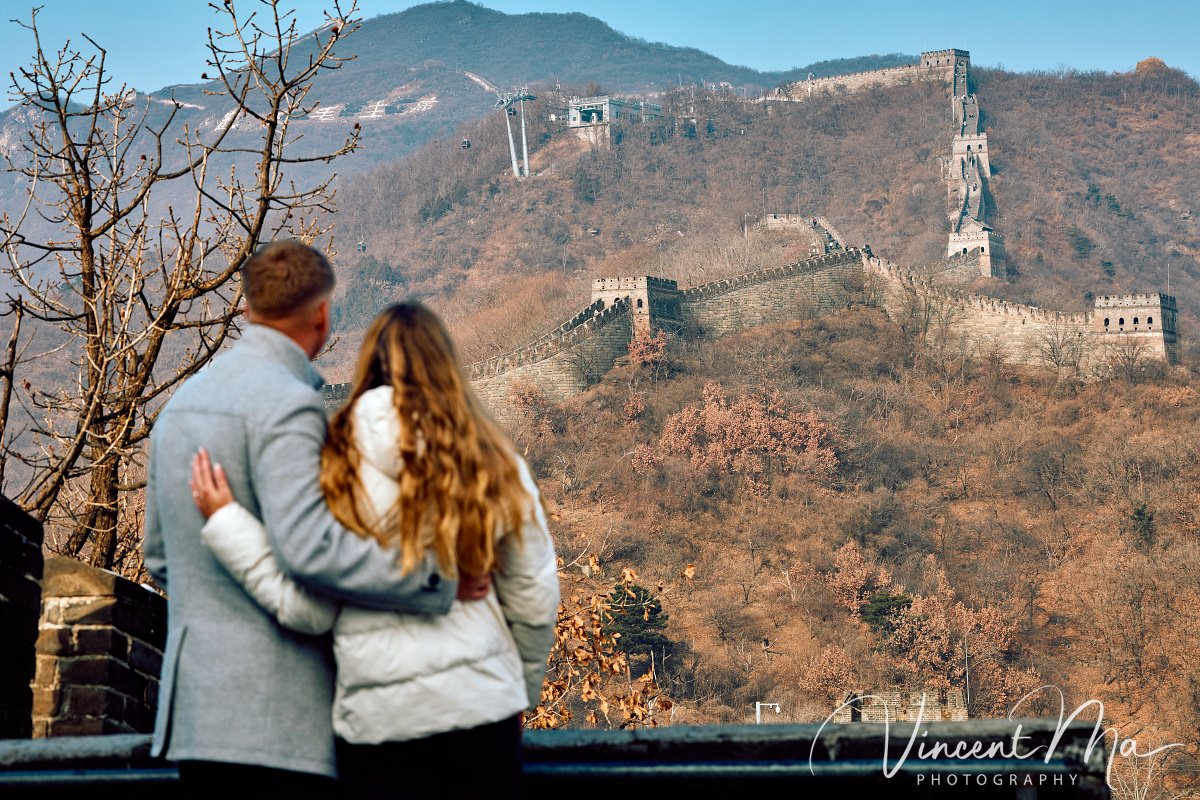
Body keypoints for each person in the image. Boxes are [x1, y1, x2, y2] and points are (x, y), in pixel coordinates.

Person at [142, 242, 485, 789]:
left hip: (194, 715)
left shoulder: (178, 407)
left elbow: (161, 558)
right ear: (323, 315)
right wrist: (433, 578)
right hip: (282, 717)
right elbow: (312, 550)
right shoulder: (290, 405)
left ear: (247, 307)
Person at [189, 301, 560, 798]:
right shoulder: (491, 460)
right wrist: (521, 694)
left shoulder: (329, 467)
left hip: (377, 730)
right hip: (482, 714)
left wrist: (229, 523)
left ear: (367, 366)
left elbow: (309, 608)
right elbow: (534, 597)